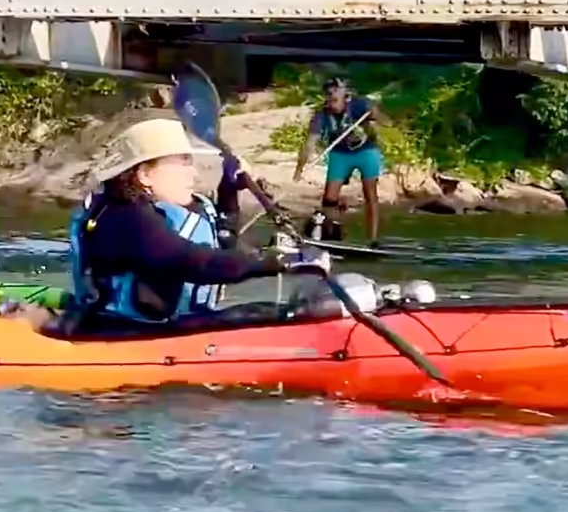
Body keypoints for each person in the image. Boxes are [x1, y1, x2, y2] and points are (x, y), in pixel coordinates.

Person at [65, 117, 329, 334]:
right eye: (183, 163)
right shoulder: (125, 218)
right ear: (145, 174)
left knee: (278, 311)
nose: (194, 173)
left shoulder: (158, 210)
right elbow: (193, 262)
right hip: (122, 334)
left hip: (163, 329)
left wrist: (228, 192)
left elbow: (223, 241)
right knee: (274, 316)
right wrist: (277, 262)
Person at [293, 77, 387, 245]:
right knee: (329, 200)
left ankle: (373, 240)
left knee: (370, 194)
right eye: (329, 94)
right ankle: (332, 234)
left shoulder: (359, 105)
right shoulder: (322, 115)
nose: (331, 98)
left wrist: (375, 114)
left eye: (335, 93)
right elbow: (310, 143)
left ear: (345, 96)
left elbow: (386, 122)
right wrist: (299, 169)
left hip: (366, 151)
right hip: (339, 154)